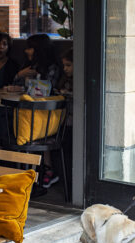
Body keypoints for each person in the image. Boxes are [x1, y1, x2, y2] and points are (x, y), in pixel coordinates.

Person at [53, 48, 73, 196]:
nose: (65, 69)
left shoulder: (76, 83)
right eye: (64, 65)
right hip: (63, 122)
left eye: (68, 65)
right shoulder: (64, 80)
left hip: (69, 123)